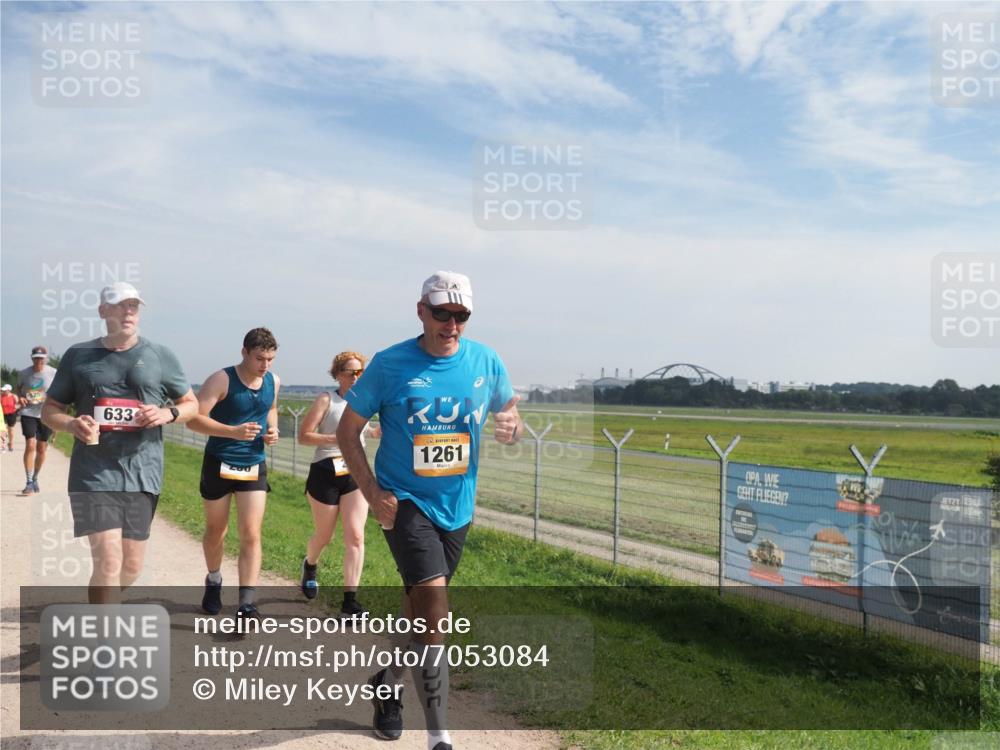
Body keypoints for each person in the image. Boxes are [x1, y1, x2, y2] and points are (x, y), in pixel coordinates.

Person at [337, 271, 522, 750]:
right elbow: (347, 431)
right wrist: (372, 492)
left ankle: (387, 684)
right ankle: (439, 737)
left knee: (418, 617)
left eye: (461, 315)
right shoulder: (390, 364)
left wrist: (511, 426)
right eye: (442, 313)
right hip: (404, 503)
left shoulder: (485, 360)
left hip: (457, 508)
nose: (452, 324)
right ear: (422, 311)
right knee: (436, 615)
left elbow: (510, 412)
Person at [41, 282, 198, 603]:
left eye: (134, 305)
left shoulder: (160, 355)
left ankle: (99, 607)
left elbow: (191, 405)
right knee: (108, 561)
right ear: (103, 311)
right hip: (93, 472)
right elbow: (49, 410)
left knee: (131, 566)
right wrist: (71, 423)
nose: (128, 311)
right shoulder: (78, 356)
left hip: (142, 473)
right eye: (120, 304)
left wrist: (167, 413)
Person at [187, 327, 280, 621]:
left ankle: (246, 604)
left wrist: (273, 429)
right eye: (259, 358)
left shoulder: (273, 381)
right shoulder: (222, 379)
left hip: (254, 463)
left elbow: (271, 408)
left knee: (251, 533)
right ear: (244, 352)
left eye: (270, 359)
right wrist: (233, 432)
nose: (265, 365)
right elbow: (193, 420)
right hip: (219, 462)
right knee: (217, 531)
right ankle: (214, 579)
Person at [297, 351, 381, 616]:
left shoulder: (364, 401)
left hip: (356, 472)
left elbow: (368, 431)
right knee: (325, 536)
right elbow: (304, 436)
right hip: (325, 471)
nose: (356, 377)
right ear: (338, 374)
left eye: (360, 372)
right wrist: (337, 438)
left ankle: (350, 602)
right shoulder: (327, 399)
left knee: (356, 535)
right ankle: (310, 564)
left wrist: (379, 430)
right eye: (350, 372)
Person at [17, 345, 57, 495]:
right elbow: (18, 388)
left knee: (41, 448)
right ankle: (28, 482)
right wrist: (20, 397)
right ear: (31, 358)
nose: (38, 361)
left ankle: (35, 478)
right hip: (28, 412)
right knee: (31, 444)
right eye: (36, 359)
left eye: (41, 359)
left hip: (45, 413)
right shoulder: (24, 373)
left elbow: (60, 390)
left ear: (46, 359)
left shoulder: (53, 373)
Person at [1, 384, 18, 452]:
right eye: (3, 390)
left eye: (5, 390)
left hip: (11, 414)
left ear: (9, 390)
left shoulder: (14, 396)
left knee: (10, 430)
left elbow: (18, 404)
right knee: (3, 430)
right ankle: (3, 445)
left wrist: (16, 408)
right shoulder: (1, 396)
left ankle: (11, 443)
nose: (3, 391)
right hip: (3, 415)